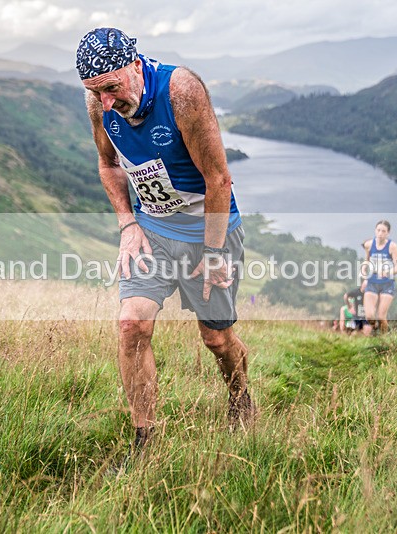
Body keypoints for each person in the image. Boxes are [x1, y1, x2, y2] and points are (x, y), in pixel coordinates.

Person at [76, 28, 255, 461]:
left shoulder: (182, 92)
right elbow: (108, 165)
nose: (105, 102)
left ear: (135, 66)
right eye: (94, 91)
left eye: (112, 88)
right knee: (131, 324)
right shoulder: (99, 103)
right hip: (152, 231)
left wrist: (213, 254)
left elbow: (218, 179)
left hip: (208, 231)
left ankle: (241, 397)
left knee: (217, 341)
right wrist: (126, 223)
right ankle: (144, 444)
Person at [361, 220, 397, 333]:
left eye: (383, 231)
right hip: (372, 281)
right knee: (369, 316)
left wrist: (387, 272)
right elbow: (366, 262)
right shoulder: (369, 244)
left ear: (388, 233)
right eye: (378, 230)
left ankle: (384, 339)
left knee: (381, 316)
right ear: (375, 230)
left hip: (387, 283)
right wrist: (364, 278)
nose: (380, 233)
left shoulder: (392, 246)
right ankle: (374, 328)